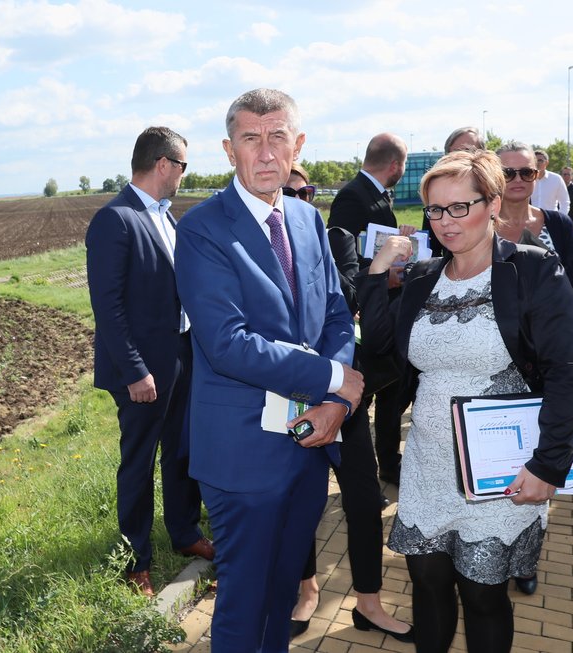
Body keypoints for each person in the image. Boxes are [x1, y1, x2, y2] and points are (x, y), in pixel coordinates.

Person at [356, 149, 573, 653]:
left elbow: (569, 374)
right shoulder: (421, 278)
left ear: (492, 202)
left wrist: (549, 464)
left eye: (460, 206)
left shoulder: (531, 272)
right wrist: (376, 273)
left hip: (502, 471)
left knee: (483, 597)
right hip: (427, 465)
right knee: (428, 587)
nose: (445, 221)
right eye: (436, 210)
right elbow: (379, 346)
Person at [174, 88, 364, 652]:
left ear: (297, 144)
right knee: (243, 599)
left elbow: (334, 312)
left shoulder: (307, 218)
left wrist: (335, 403)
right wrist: (334, 380)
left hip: (308, 443)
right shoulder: (203, 229)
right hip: (242, 456)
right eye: (250, 139)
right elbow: (228, 345)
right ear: (228, 150)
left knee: (282, 593)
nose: (264, 152)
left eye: (276, 137)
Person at [286, 164, 413, 642]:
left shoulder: (325, 238)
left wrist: (383, 269)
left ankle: (369, 604)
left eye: (307, 190)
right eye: (289, 191)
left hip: (343, 393)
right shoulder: (254, 252)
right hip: (291, 397)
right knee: (302, 501)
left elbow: (348, 303)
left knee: (362, 500)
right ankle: (307, 591)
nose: (299, 196)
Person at [85, 126, 213, 598]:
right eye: (183, 166)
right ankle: (135, 559)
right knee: (138, 464)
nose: (183, 175)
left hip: (181, 357)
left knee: (181, 453)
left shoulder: (167, 217)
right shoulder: (114, 220)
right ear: (164, 164)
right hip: (142, 369)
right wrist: (136, 370)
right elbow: (109, 308)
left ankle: (184, 534)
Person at [327, 133, 412, 487]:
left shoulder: (374, 195)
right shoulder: (352, 196)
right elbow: (342, 262)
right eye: (403, 167)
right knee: (363, 400)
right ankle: (360, 477)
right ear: (394, 165)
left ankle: (388, 465)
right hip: (364, 316)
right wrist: (377, 280)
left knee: (391, 396)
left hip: (383, 308)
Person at [495, 142, 573, 321]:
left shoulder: (559, 224)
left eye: (526, 172)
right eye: (507, 173)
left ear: (536, 175)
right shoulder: (480, 226)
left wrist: (558, 329)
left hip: (554, 337)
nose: (518, 179)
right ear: (494, 177)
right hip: (493, 341)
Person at [425, 126, 488, 257]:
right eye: (456, 153)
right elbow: (433, 249)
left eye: (469, 151)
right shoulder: (436, 196)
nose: (462, 157)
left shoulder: (500, 192)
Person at [529, 150, 570, 214]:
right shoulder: (527, 179)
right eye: (534, 160)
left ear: (547, 163)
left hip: (552, 219)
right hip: (531, 220)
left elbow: (565, 202)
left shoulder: (556, 179)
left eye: (540, 160)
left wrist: (560, 219)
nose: (537, 163)